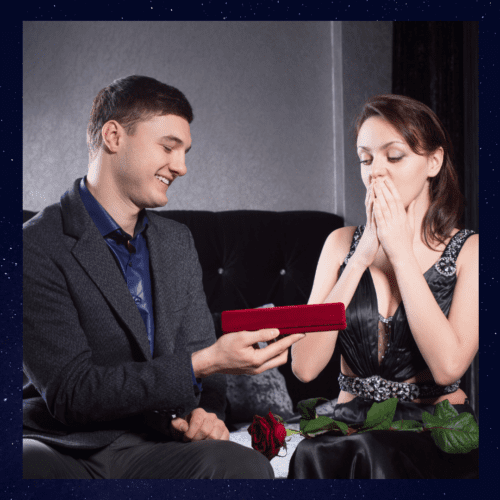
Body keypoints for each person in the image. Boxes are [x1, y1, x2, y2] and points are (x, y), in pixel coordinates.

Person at [23, 75, 305, 479]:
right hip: (62, 445)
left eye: (186, 152)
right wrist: (202, 363)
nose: (182, 167)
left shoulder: (177, 242)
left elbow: (203, 367)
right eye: (169, 147)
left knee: (243, 466)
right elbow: (72, 393)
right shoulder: (34, 244)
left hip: (154, 444)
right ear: (114, 136)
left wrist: (205, 414)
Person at [289, 94, 479, 479]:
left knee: (369, 452)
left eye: (394, 157)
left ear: (433, 162)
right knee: (311, 453)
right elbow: (305, 367)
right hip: (351, 422)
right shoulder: (339, 244)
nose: (376, 171)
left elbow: (447, 367)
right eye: (365, 158)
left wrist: (400, 254)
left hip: (433, 428)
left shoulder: (470, 250)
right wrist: (359, 259)